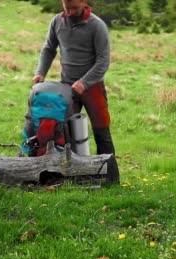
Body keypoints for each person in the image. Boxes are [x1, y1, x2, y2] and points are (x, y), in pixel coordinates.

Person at [32, 0, 115, 155]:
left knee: (101, 131)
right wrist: (40, 72)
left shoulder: (97, 26)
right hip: (66, 89)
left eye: (74, 8)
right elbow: (49, 49)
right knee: (66, 132)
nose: (70, 12)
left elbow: (103, 61)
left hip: (93, 88)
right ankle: (73, 172)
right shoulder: (57, 21)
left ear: (84, 3)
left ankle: (108, 174)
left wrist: (84, 83)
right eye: (67, 8)